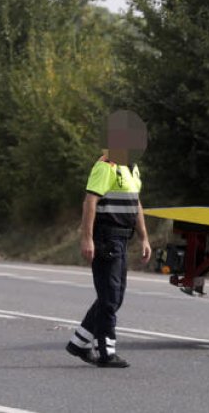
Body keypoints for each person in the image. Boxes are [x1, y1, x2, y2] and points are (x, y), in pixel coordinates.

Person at [66, 110, 151, 368]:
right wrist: (87, 239)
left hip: (122, 240)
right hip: (106, 238)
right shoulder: (106, 165)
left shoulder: (131, 170)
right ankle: (106, 352)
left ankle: (79, 343)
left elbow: (135, 205)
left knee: (114, 296)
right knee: (110, 297)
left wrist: (144, 238)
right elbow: (90, 202)